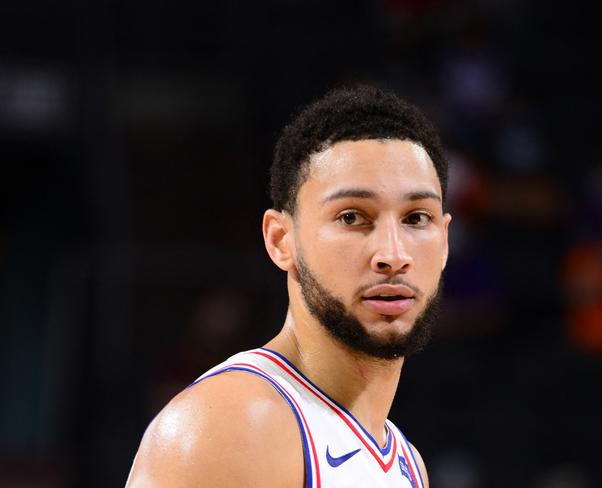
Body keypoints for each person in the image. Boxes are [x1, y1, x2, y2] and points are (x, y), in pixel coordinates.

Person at [126, 85, 451, 487]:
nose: (392, 253)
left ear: (446, 241)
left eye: (417, 218)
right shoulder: (234, 424)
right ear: (281, 240)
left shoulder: (405, 463)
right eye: (352, 217)